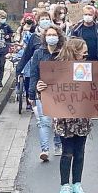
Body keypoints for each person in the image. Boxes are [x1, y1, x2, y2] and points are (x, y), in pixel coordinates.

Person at [36, 38, 98, 193]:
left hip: (82, 116)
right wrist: (40, 89)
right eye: (83, 50)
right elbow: (48, 90)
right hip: (65, 117)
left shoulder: (88, 68)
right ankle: (64, 187)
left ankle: (77, 185)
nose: (86, 53)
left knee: (80, 151)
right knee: (67, 152)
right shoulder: (57, 68)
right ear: (74, 50)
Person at [27, 25, 65, 161]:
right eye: (48, 35)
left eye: (54, 34)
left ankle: (58, 144)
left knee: (58, 119)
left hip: (60, 92)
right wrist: (32, 93)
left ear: (59, 37)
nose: (51, 37)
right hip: (43, 92)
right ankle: (45, 150)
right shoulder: (38, 53)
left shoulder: (63, 52)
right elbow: (34, 73)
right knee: (44, 121)